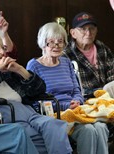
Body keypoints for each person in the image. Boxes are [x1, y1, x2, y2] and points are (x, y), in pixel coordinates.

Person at [0, 25, 72, 154]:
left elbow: (40, 91)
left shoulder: (9, 71)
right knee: (39, 138)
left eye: (3, 47)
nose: (2, 52)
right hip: (4, 115)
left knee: (54, 126)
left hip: (28, 112)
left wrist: (20, 70)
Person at [26, 22, 109, 154]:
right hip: (54, 114)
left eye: (60, 41)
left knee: (100, 127)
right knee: (88, 130)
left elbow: (77, 90)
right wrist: (65, 106)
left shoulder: (66, 62)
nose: (56, 46)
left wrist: (77, 101)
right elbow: (35, 100)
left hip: (75, 109)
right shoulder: (34, 65)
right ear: (43, 43)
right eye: (51, 42)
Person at [63, 12, 114, 95]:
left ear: (96, 30)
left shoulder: (102, 47)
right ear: (73, 33)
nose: (88, 33)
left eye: (92, 28)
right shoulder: (66, 54)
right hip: (84, 99)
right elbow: (72, 87)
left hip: (108, 97)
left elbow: (112, 74)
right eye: (83, 29)